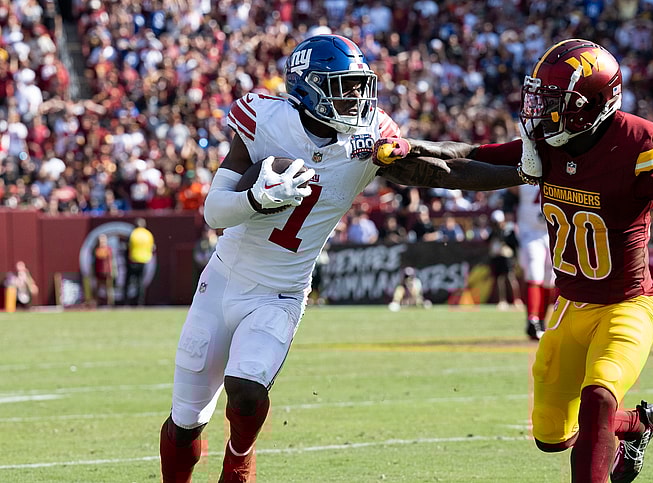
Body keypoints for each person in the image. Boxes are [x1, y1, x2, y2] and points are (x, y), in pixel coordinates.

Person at [159, 34, 521, 483]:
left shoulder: (371, 137)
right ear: (308, 88)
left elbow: (449, 167)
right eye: (343, 86)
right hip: (223, 281)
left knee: (247, 388)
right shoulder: (265, 119)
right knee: (185, 420)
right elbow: (214, 211)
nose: (356, 97)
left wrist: (521, 170)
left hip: (281, 292)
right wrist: (256, 198)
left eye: (358, 85)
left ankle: (239, 456)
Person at [373, 38, 653, 483]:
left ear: (594, 103)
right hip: (570, 308)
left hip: (627, 306)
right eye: (540, 97)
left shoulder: (636, 144)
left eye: (556, 101)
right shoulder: (550, 144)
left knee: (598, 398)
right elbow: (467, 158)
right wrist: (408, 149)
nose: (541, 110)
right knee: (553, 436)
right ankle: (637, 425)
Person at [512, 183, 555, 339]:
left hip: (553, 231)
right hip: (530, 233)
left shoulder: (554, 172)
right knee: (534, 275)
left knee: (550, 281)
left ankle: (541, 321)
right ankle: (533, 320)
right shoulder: (523, 179)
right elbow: (509, 190)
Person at [488, 209, 524, 310]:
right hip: (497, 257)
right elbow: (488, 240)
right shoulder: (494, 232)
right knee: (500, 279)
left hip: (507, 257)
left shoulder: (509, 229)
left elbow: (514, 243)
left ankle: (517, 300)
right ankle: (502, 301)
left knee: (510, 277)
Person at [124, 217, 155, 305]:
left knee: (128, 282)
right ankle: (140, 302)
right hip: (144, 260)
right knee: (140, 282)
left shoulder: (133, 234)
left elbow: (127, 246)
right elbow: (152, 248)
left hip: (133, 260)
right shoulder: (148, 234)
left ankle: (126, 302)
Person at [93, 233, 116, 306]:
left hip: (107, 272)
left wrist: (113, 271)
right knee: (97, 288)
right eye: (100, 240)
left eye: (103, 240)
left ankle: (110, 304)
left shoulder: (109, 250)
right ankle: (96, 303)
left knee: (108, 289)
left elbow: (112, 261)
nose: (102, 241)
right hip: (98, 272)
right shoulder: (96, 250)